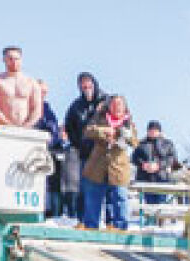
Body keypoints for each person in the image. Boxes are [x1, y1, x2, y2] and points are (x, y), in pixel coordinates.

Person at [81, 94, 138, 230]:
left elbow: (135, 142)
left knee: (120, 197)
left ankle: (120, 227)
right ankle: (91, 227)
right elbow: (87, 131)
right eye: (113, 104)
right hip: (97, 166)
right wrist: (104, 131)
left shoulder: (128, 123)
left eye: (119, 104)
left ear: (125, 107)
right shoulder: (99, 117)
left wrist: (126, 135)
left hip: (119, 167)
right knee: (93, 198)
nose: (116, 107)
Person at [64, 72, 106, 218]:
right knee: (84, 187)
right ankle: (83, 219)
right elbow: (69, 126)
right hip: (85, 153)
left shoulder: (106, 101)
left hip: (104, 153)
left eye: (89, 84)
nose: (86, 87)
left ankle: (110, 222)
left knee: (106, 188)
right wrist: (78, 144)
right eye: (83, 85)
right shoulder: (76, 106)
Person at [32, 80, 68, 217]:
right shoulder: (24, 106)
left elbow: (53, 131)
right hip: (28, 151)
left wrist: (51, 142)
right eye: (40, 92)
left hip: (46, 151)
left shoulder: (47, 109)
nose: (42, 95)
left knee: (51, 184)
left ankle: (52, 214)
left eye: (45, 93)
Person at [0, 46, 41, 127]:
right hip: (1, 128)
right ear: (4, 60)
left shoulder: (31, 83)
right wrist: (8, 125)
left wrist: (27, 126)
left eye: (17, 59)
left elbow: (37, 108)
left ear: (21, 60)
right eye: (10, 59)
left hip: (26, 129)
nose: (14, 62)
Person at [132, 120, 180, 205]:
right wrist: (143, 165)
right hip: (145, 179)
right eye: (151, 130)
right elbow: (134, 158)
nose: (153, 132)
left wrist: (159, 166)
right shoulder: (140, 144)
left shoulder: (168, 144)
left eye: (155, 130)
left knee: (161, 204)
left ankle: (160, 218)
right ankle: (151, 218)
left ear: (160, 131)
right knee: (149, 205)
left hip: (162, 179)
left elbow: (172, 159)